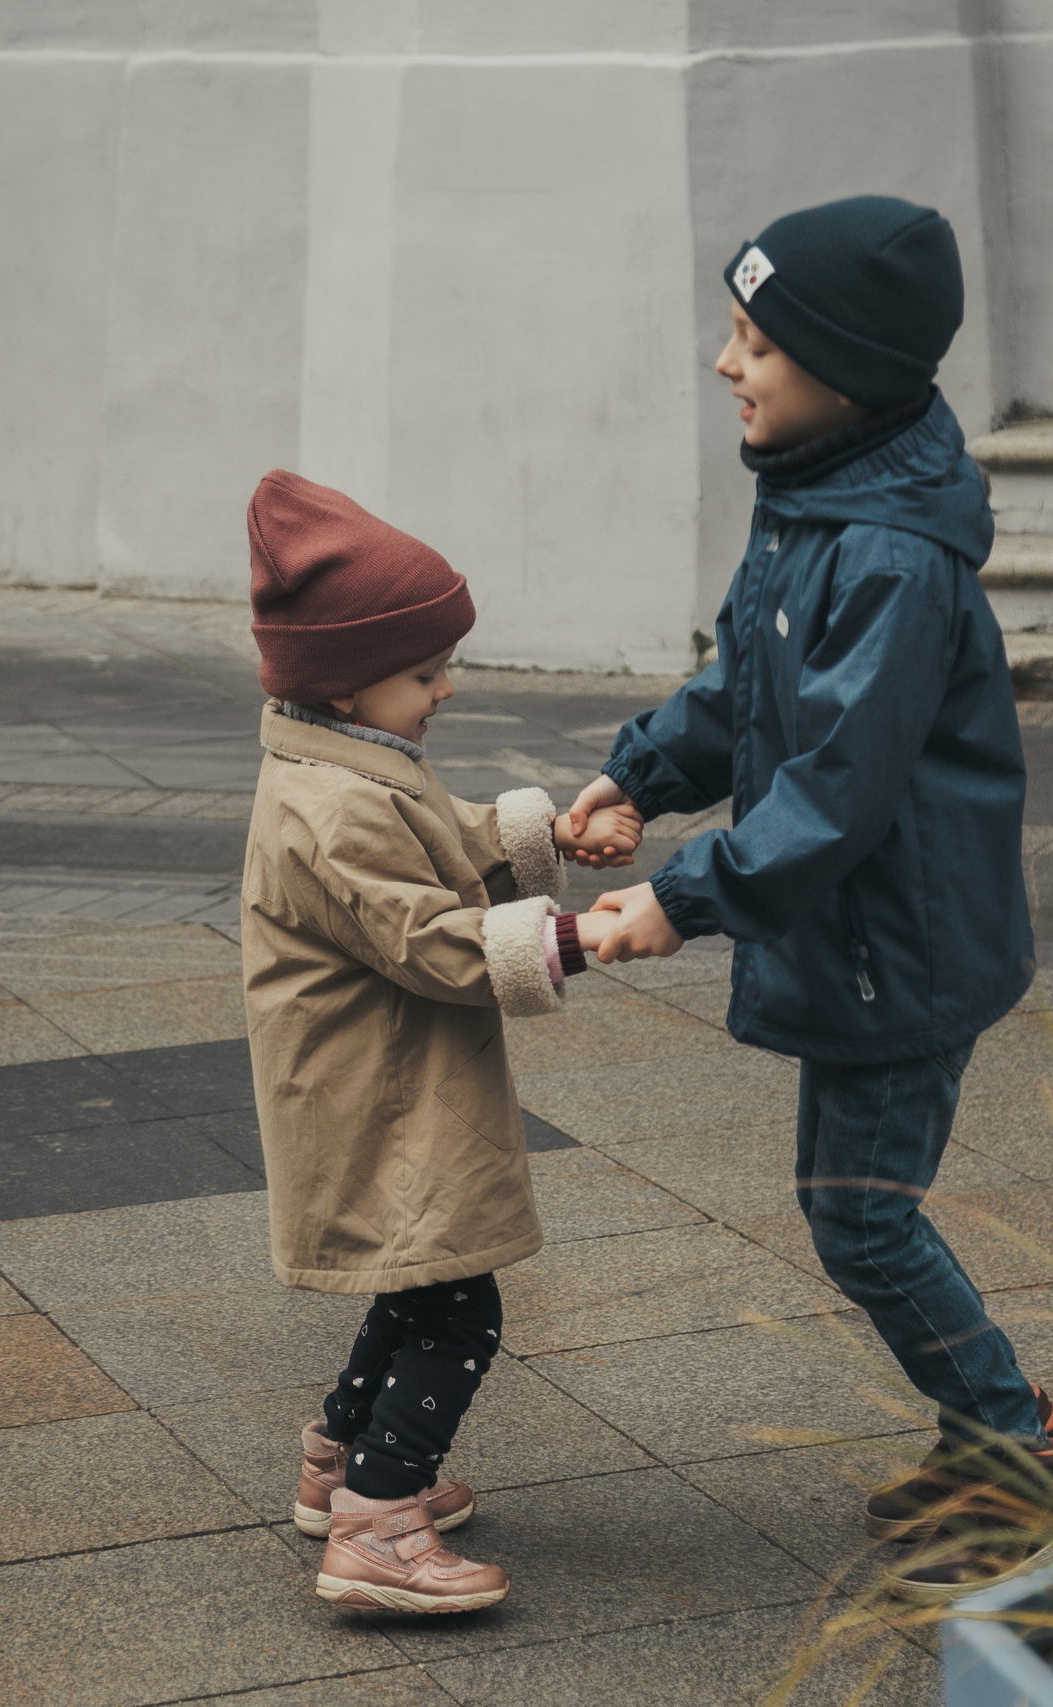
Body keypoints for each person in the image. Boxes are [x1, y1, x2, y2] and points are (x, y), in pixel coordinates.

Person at [566, 195, 1053, 1602]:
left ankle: (1021, 1446)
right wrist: (641, 771)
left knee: (861, 1216)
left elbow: (839, 787)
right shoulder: (816, 497)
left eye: (754, 340)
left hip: (904, 941)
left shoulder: (892, 556)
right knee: (850, 1204)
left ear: (847, 370)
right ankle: (986, 1437)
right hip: (869, 934)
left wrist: (679, 899)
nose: (725, 362)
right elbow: (746, 679)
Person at [239, 469, 643, 1614]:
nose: (444, 689)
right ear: (344, 679)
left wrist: (536, 835)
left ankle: (339, 1464)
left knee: (417, 1279)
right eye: (424, 674)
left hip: (382, 1077)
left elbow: (437, 839)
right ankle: (378, 1522)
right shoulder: (334, 805)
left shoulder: (346, 767)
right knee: (461, 1309)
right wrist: (571, 939)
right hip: (374, 1092)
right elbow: (424, 938)